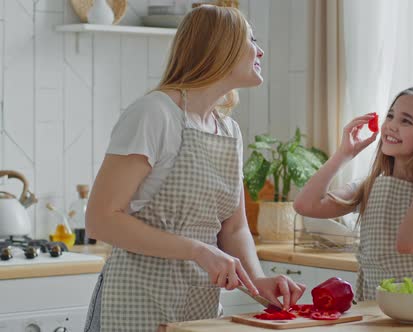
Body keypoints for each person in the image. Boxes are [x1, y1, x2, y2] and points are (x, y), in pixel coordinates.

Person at [83, 5, 305, 331]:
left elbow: (233, 229)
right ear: (219, 47)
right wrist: (198, 250)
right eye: (250, 39)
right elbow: (101, 220)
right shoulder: (154, 113)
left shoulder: (229, 131)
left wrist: (258, 283)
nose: (260, 50)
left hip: (197, 309)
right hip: (135, 301)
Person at [294, 87, 413, 301]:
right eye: (391, 116)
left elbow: (408, 243)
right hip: (375, 311)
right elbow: (305, 205)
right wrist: (343, 154)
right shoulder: (369, 186)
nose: (392, 126)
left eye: (406, 121)